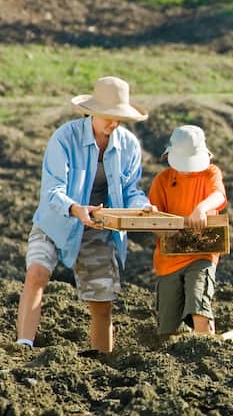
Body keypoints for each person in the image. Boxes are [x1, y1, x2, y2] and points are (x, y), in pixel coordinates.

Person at [15, 76, 153, 353]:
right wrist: (76, 208)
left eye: (119, 118)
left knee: (103, 300)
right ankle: (23, 345)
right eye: (108, 117)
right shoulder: (65, 138)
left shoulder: (128, 145)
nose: (114, 123)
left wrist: (143, 205)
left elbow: (130, 189)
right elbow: (53, 190)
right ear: (92, 112)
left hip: (99, 224)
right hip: (58, 220)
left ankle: (102, 359)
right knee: (37, 273)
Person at [148, 125, 227, 336]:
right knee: (167, 328)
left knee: (199, 305)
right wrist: (161, 225)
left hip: (202, 253)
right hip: (169, 260)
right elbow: (154, 221)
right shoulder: (163, 180)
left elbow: (219, 195)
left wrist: (202, 208)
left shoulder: (211, 173)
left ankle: (209, 352)